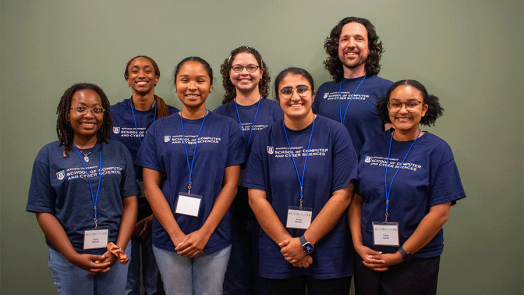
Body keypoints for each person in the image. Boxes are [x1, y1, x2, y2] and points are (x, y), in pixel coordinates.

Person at [136, 56, 245, 295]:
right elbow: (150, 186)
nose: (192, 87)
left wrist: (204, 233)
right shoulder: (159, 129)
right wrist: (176, 235)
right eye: (185, 80)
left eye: (200, 80)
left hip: (214, 235)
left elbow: (231, 185)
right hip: (169, 238)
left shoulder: (228, 128)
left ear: (210, 86)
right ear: (176, 86)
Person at [243, 67, 358, 295]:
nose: (295, 96)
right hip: (279, 251)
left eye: (302, 89)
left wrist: (304, 243)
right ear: (278, 98)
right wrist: (290, 245)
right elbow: (256, 198)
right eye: (286, 91)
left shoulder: (336, 133)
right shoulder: (264, 138)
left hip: (328, 251)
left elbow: (343, 195)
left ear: (313, 95)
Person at [349, 80, 466, 295]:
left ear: (424, 109)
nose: (403, 111)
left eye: (412, 104)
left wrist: (401, 254)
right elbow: (357, 199)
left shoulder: (438, 150)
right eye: (396, 104)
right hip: (369, 256)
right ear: (388, 108)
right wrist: (358, 245)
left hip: (415, 260)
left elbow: (440, 214)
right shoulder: (372, 144)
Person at [26, 83, 139, 295]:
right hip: (69, 256)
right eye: (80, 108)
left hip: (113, 252)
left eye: (97, 109)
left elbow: (130, 204)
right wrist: (72, 256)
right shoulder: (49, 155)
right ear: (67, 113)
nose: (89, 115)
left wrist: (119, 249)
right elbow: (43, 211)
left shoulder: (119, 151)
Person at [214, 46, 283, 295]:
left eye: (251, 67)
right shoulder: (218, 116)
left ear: (261, 72)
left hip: (271, 209)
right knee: (234, 284)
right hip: (230, 211)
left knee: (268, 282)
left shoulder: (279, 111)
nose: (245, 73)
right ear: (229, 73)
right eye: (238, 67)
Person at [111, 55, 179, 295]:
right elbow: (88, 141)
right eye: (135, 71)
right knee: (127, 282)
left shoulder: (172, 116)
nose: (142, 74)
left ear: (156, 78)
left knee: (154, 281)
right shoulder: (112, 114)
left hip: (159, 205)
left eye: (148, 70)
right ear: (128, 78)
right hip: (122, 206)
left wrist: (155, 214)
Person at [312, 17, 393, 154]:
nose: (351, 44)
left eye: (359, 39)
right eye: (345, 39)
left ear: (369, 48)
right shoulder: (324, 90)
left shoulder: (386, 89)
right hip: (328, 172)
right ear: (337, 47)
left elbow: (394, 142)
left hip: (366, 172)